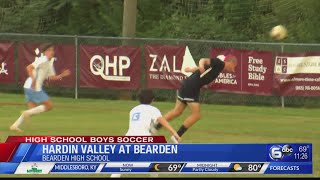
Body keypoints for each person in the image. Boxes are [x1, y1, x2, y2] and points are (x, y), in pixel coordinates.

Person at [154, 55, 238, 143]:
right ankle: (177, 135)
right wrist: (201, 66)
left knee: (177, 111)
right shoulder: (219, 63)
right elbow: (203, 60)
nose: (233, 70)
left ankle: (155, 126)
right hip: (192, 87)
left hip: (187, 84)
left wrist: (190, 70)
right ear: (231, 62)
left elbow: (200, 68)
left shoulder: (218, 68)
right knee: (196, 115)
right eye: (234, 67)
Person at [110, 89, 181, 178]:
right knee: (153, 162)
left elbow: (139, 124)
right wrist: (174, 132)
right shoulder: (153, 109)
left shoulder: (133, 110)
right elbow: (162, 121)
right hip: (144, 139)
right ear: (152, 99)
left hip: (129, 137)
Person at [10, 43, 71, 132]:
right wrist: (34, 80)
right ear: (45, 52)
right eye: (49, 50)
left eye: (52, 50)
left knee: (32, 110)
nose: (52, 52)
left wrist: (62, 75)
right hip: (34, 87)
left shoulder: (49, 63)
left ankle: (14, 126)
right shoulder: (43, 59)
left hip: (28, 87)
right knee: (49, 106)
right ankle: (25, 114)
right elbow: (29, 68)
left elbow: (51, 77)